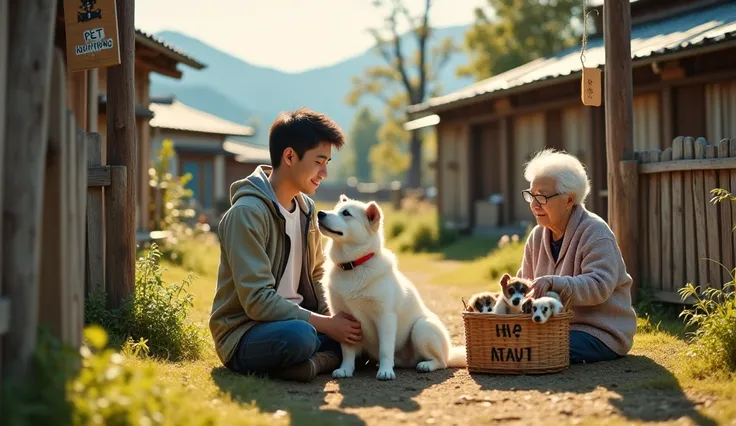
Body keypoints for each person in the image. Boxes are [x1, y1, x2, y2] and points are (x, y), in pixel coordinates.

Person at [209, 107, 363, 382]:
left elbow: (317, 275)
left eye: (327, 162)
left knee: (361, 332)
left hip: (301, 320)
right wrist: (327, 325)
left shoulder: (307, 210)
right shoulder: (247, 214)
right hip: (247, 332)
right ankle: (320, 359)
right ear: (290, 156)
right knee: (300, 337)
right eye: (319, 161)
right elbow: (257, 301)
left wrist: (337, 318)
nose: (325, 172)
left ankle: (311, 365)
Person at [516, 148, 637, 364]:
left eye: (542, 196)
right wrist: (503, 305)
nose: (534, 204)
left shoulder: (596, 233)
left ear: (569, 199)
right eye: (531, 195)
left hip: (599, 331)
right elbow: (524, 286)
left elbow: (599, 286)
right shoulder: (536, 237)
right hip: (553, 325)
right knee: (512, 341)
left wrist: (555, 283)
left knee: (537, 347)